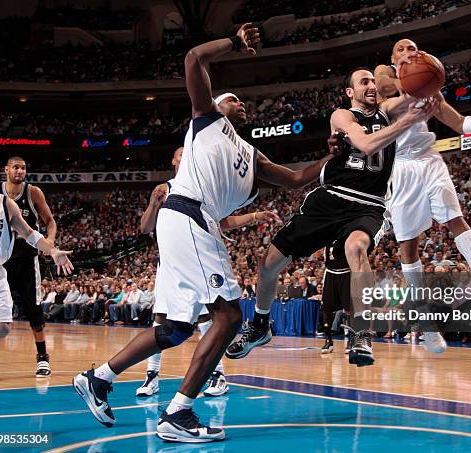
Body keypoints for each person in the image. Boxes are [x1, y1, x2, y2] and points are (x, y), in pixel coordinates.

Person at [73, 23, 342, 443]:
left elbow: (294, 179)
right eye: (236, 99)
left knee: (176, 328)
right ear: (218, 104)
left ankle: (99, 378)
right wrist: (235, 42)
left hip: (196, 224)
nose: (244, 104)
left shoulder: (253, 155)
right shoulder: (206, 121)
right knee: (230, 315)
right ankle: (177, 413)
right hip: (187, 215)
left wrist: (331, 156)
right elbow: (194, 58)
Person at [227, 66, 436, 367]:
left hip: (368, 204)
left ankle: (361, 332)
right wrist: (409, 121)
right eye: (364, 82)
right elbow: (365, 144)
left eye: (374, 82)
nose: (372, 86)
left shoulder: (387, 111)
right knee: (269, 265)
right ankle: (260, 324)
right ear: (351, 92)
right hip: (331, 197)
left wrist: (420, 75)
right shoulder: (342, 116)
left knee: (356, 248)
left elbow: (417, 92)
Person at [374, 39, 471, 353]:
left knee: (456, 219)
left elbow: (461, 124)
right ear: (394, 57)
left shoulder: (430, 87)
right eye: (403, 49)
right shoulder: (385, 74)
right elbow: (384, 83)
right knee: (408, 247)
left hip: (429, 159)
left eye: (415, 48)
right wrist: (409, 79)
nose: (410, 51)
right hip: (400, 167)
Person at [136, 146, 280, 398]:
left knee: (206, 319)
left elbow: (222, 223)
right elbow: (145, 227)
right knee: (160, 319)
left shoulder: (202, 187)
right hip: (169, 264)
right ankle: (152, 376)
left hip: (196, 259)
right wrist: (152, 204)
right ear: (173, 160)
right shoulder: (163, 189)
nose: (185, 158)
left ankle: (218, 376)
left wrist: (255, 215)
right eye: (181, 155)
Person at [0, 161, 73, 378]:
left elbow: (30, 233)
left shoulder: (8, 204)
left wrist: (52, 250)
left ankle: (42, 357)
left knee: (4, 328)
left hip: (4, 268)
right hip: (3, 263)